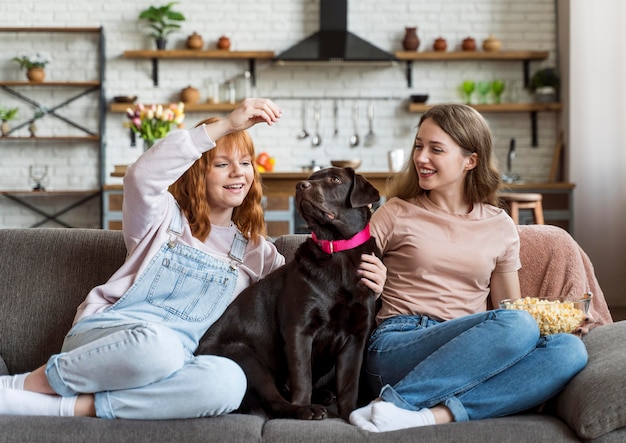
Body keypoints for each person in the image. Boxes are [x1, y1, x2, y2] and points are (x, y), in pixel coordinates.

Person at [0, 98, 387, 419]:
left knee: (227, 384)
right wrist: (228, 124)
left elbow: (310, 302)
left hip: (182, 361)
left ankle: (72, 409)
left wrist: (374, 283)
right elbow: (141, 176)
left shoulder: (260, 254)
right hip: (115, 338)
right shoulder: (161, 218)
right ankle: (25, 386)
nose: (238, 173)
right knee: (158, 347)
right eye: (222, 163)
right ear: (197, 171)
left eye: (246, 163)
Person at [349, 103, 588, 433]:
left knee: (570, 350)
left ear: (470, 161)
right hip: (399, 344)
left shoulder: (500, 225)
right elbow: (342, 271)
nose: (421, 157)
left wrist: (564, 322)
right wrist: (369, 282)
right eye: (419, 146)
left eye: (436, 149)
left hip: (469, 356)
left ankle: (421, 415)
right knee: (518, 324)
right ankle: (399, 400)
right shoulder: (396, 213)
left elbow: (509, 312)